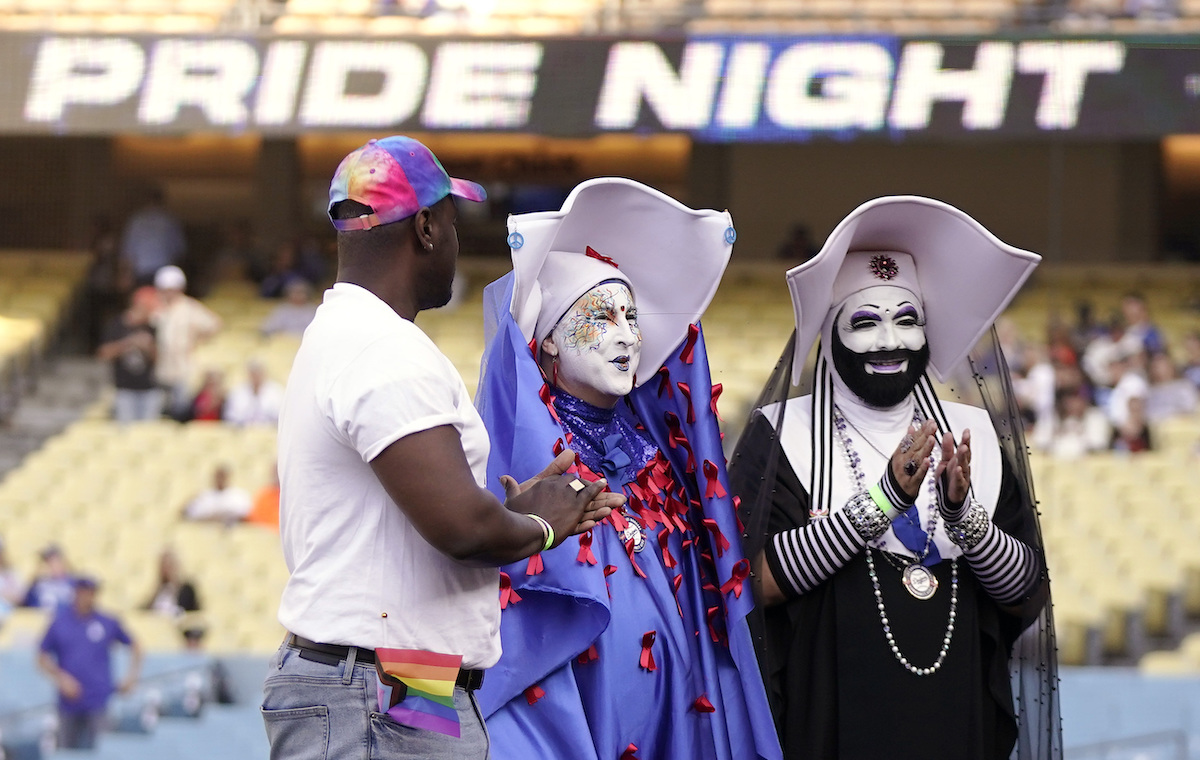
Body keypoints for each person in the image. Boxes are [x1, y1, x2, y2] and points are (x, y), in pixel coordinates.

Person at [263, 135, 619, 760]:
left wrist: (509, 514)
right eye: (453, 223)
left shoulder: (349, 333)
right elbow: (460, 530)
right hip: (371, 686)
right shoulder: (382, 348)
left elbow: (438, 515)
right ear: (425, 227)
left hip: (397, 681)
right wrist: (540, 525)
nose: (457, 242)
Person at [729, 196, 1060, 760]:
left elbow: (1025, 592)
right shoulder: (782, 435)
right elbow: (750, 583)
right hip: (830, 713)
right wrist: (882, 501)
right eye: (866, 322)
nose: (891, 341)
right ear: (831, 336)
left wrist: (964, 519)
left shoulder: (969, 432)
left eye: (908, 320)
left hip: (956, 716)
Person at [473, 178, 781, 760]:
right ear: (548, 345)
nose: (626, 336)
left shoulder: (659, 461)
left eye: (630, 316)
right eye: (599, 317)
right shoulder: (535, 466)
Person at [37, 577, 142, 750]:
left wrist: (131, 677)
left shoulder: (107, 622)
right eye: (83, 592)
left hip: (98, 699)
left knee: (103, 749)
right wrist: (61, 678)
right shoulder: (60, 622)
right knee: (66, 750)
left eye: (91, 593)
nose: (87, 597)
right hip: (68, 702)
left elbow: (136, 646)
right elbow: (42, 656)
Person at [151, 265, 222, 419]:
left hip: (183, 368)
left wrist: (198, 339)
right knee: (162, 414)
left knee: (182, 411)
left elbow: (214, 324)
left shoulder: (189, 307)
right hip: (162, 370)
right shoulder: (157, 310)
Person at [97, 287, 162, 423]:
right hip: (124, 388)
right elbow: (104, 354)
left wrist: (148, 347)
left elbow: (158, 359)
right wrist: (128, 343)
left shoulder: (152, 326)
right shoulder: (117, 324)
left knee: (148, 433)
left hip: (149, 388)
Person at [120, 186, 186, 286]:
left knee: (144, 300)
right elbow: (179, 251)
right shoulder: (169, 220)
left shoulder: (137, 220)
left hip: (144, 271)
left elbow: (128, 252)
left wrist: (125, 276)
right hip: (162, 272)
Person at [181, 464, 252, 524]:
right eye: (218, 476)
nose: (220, 479)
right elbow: (190, 514)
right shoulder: (204, 496)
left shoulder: (239, 495)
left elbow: (244, 515)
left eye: (222, 476)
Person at [224, 359, 284, 427]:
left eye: (258, 373)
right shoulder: (237, 392)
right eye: (253, 373)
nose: (256, 376)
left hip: (269, 430)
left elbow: (279, 416)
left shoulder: (276, 391)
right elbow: (231, 416)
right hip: (244, 431)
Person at [142, 549, 200, 618]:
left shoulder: (186, 589)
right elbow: (145, 610)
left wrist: (175, 583)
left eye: (170, 564)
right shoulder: (160, 590)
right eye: (164, 565)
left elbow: (186, 610)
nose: (167, 569)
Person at [21, 544, 78, 611]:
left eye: (54, 561)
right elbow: (27, 604)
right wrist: (34, 579)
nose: (51, 565)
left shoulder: (73, 584)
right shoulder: (39, 585)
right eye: (47, 562)